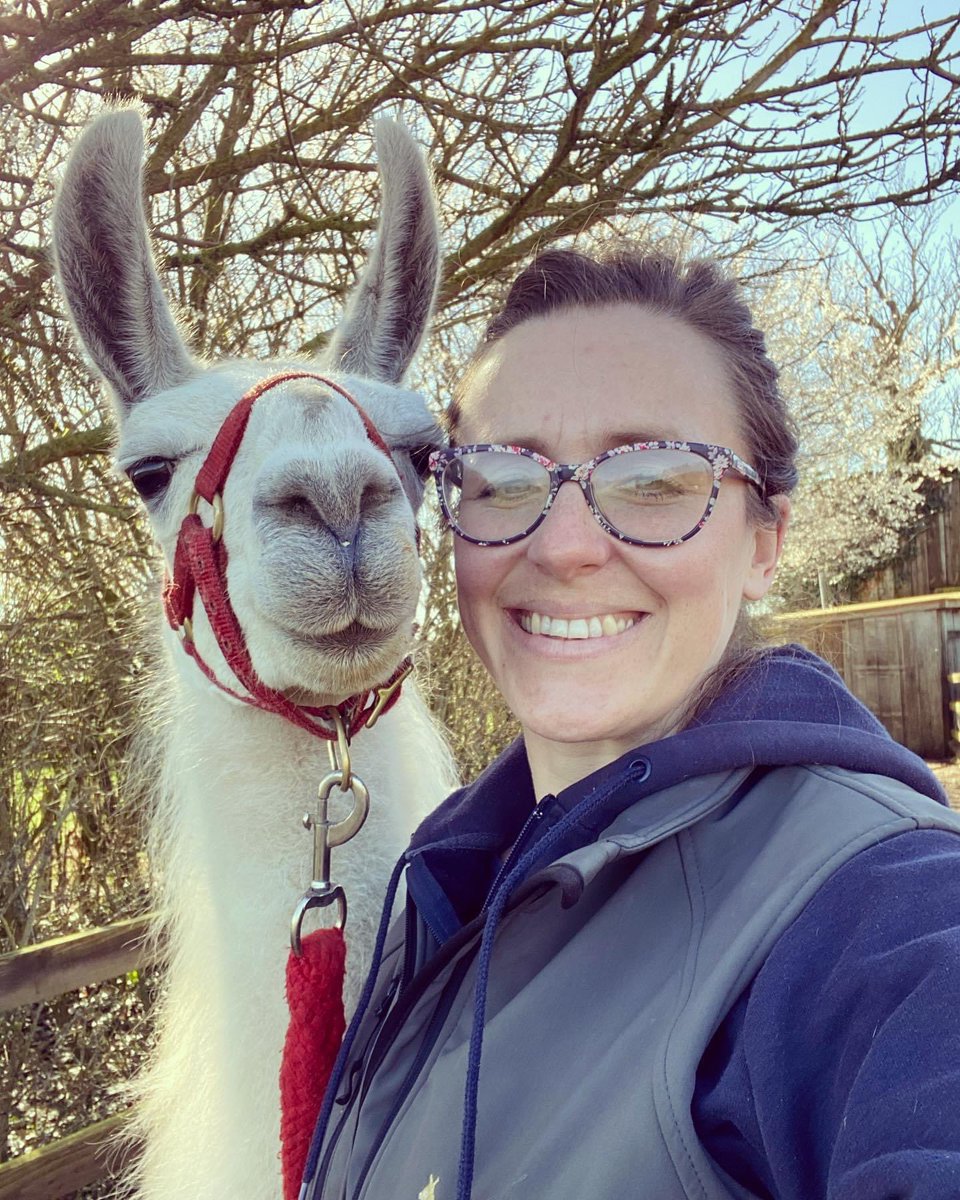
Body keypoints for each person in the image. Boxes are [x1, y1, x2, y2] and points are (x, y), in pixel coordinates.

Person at [301, 246, 960, 1200]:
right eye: (504, 480)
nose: (564, 546)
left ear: (764, 545)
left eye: (655, 481)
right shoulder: (452, 882)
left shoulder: (883, 912)